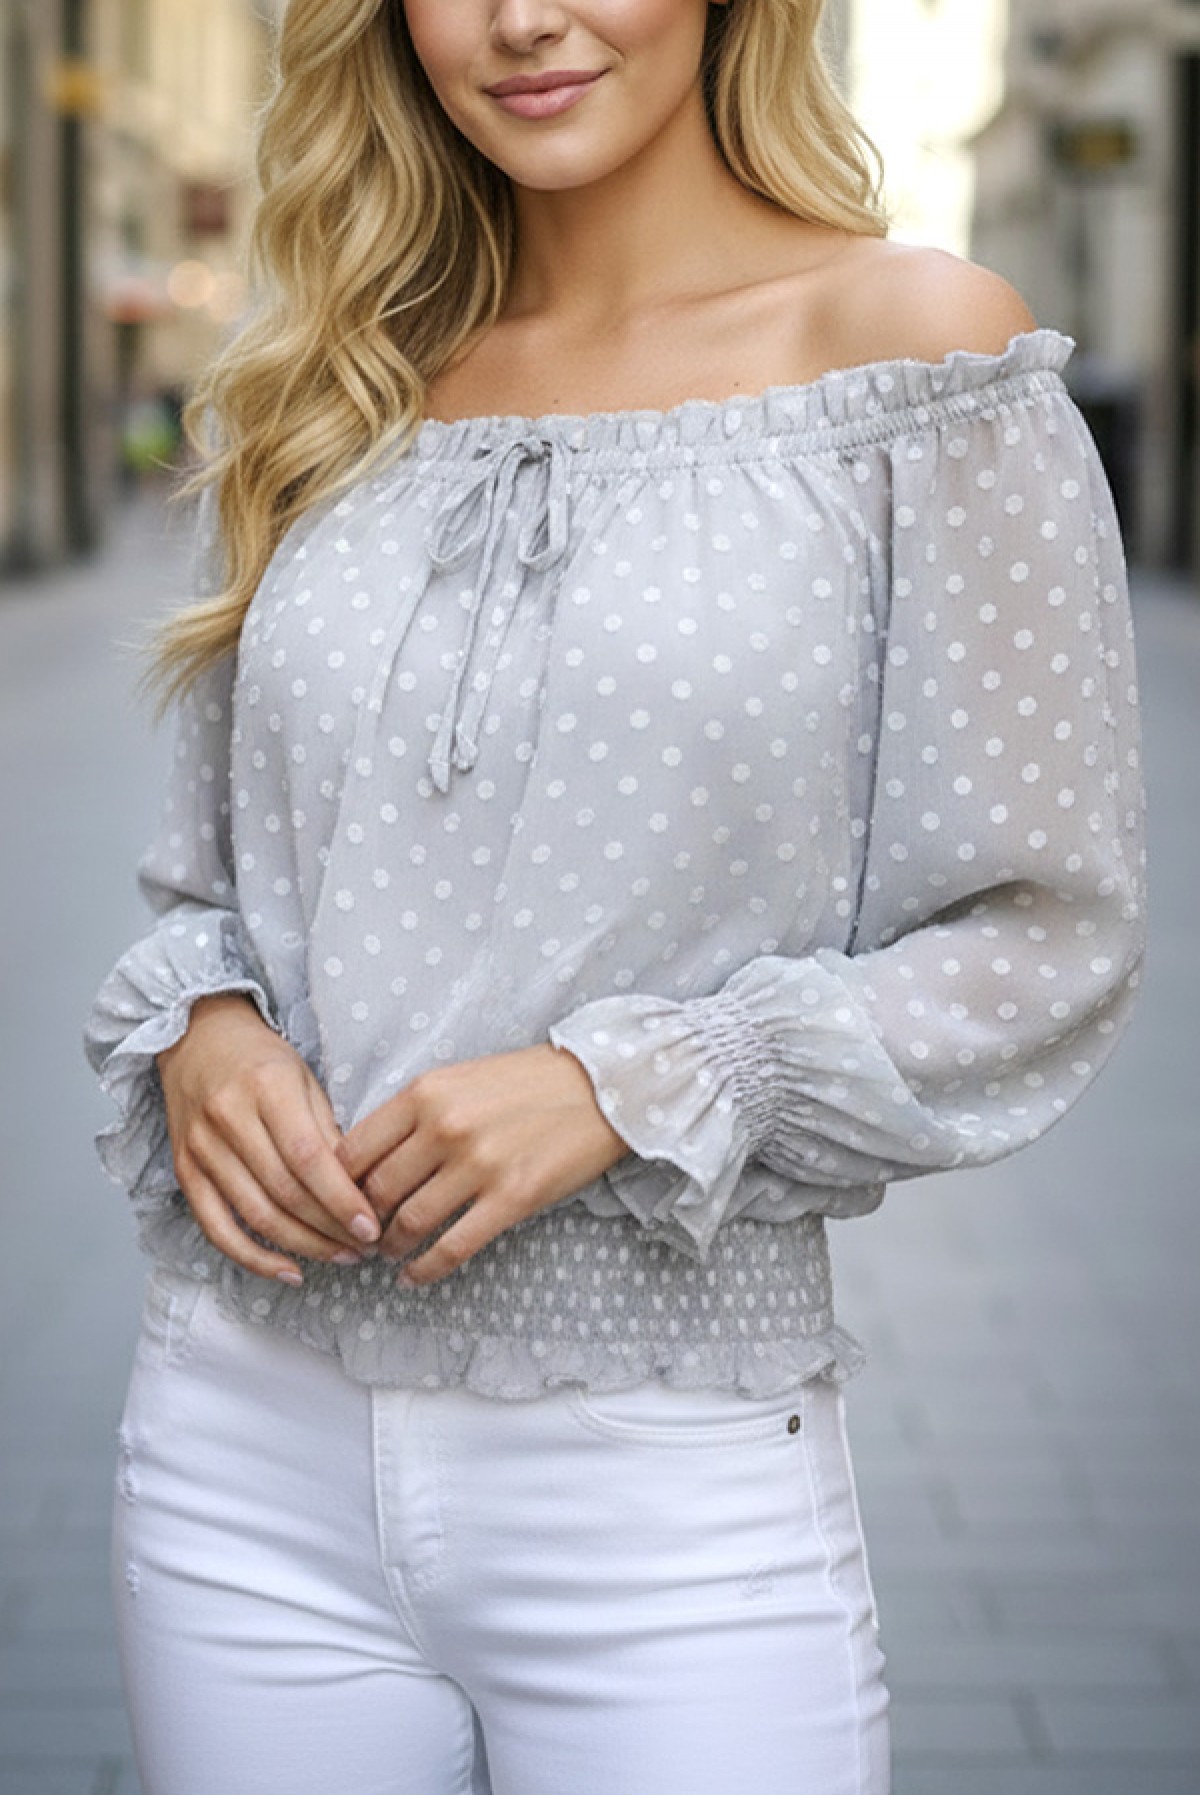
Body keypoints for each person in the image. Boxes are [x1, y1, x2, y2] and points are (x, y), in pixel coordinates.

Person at [82, 2, 1148, 1791]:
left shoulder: (917, 357)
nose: (521, 19)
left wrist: (628, 1083)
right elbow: (212, 883)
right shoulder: (327, 377)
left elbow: (1046, 937)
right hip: (236, 1444)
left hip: (667, 1480)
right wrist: (204, 1030)